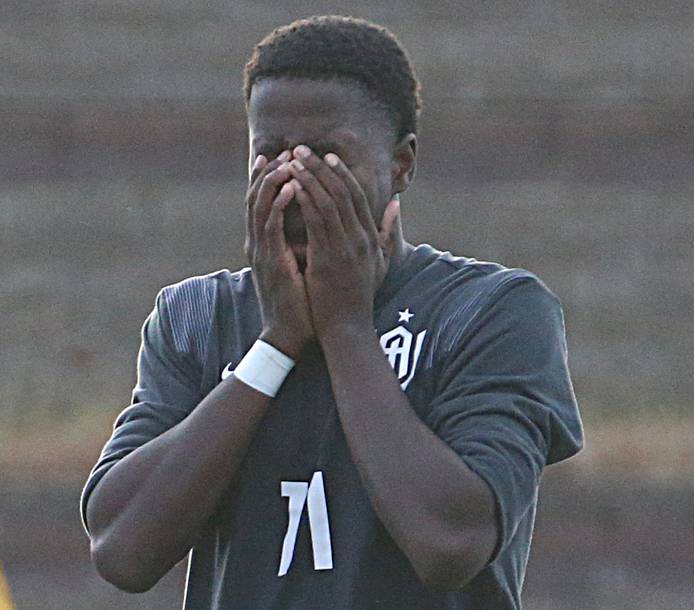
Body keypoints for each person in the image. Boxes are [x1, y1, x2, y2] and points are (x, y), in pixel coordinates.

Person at [80, 15, 584, 610]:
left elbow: (449, 542)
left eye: (328, 157)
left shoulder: (490, 312)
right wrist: (276, 345)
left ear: (401, 165)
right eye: (268, 154)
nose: (293, 180)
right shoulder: (196, 315)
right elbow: (122, 549)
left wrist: (346, 328)